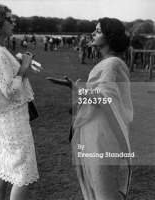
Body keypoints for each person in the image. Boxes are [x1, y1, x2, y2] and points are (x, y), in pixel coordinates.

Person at [47, 17, 133, 200]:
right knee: (100, 185)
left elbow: (103, 99)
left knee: (103, 188)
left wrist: (75, 88)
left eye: (98, 31)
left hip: (102, 132)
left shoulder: (112, 64)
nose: (93, 34)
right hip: (98, 129)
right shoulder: (110, 62)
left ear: (109, 37)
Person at [0, 4, 39, 200]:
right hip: (11, 119)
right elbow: (11, 90)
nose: (14, 22)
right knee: (23, 171)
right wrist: (24, 66)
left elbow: (4, 77)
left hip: (3, 117)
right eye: (9, 19)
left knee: (5, 163)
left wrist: (19, 60)